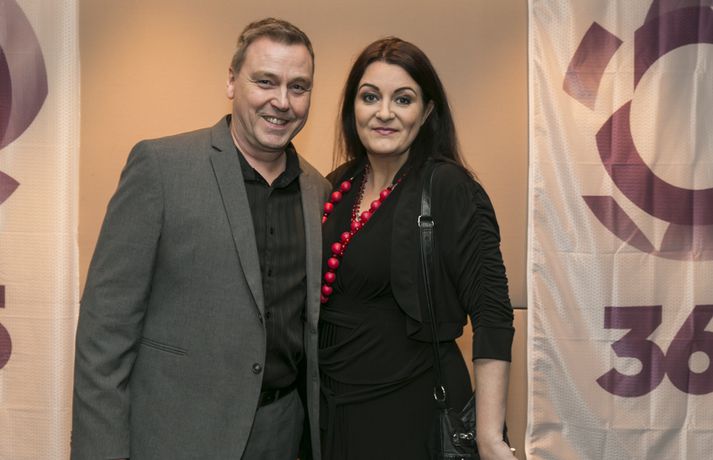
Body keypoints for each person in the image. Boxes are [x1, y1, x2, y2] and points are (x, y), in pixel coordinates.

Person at [71, 18, 330, 460]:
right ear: (231, 81)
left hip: (281, 434)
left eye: (298, 87)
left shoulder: (318, 191)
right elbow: (104, 336)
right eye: (265, 81)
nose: (282, 101)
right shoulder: (161, 168)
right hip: (176, 437)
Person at [318, 37, 516, 460]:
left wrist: (489, 437)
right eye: (370, 97)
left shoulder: (448, 188)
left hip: (414, 412)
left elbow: (493, 315)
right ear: (353, 108)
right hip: (333, 414)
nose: (384, 112)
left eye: (403, 99)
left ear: (426, 112)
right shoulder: (335, 186)